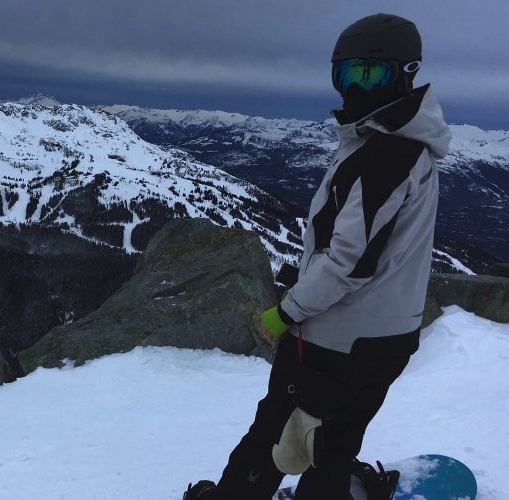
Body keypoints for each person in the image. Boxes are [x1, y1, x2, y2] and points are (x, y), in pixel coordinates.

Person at [184, 13, 451, 500]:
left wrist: (285, 312)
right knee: (334, 440)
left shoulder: (388, 154)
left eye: (369, 73)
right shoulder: (402, 145)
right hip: (386, 336)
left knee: (271, 438)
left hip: (339, 340)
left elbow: (349, 260)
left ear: (405, 72)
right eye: (345, 73)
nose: (353, 86)